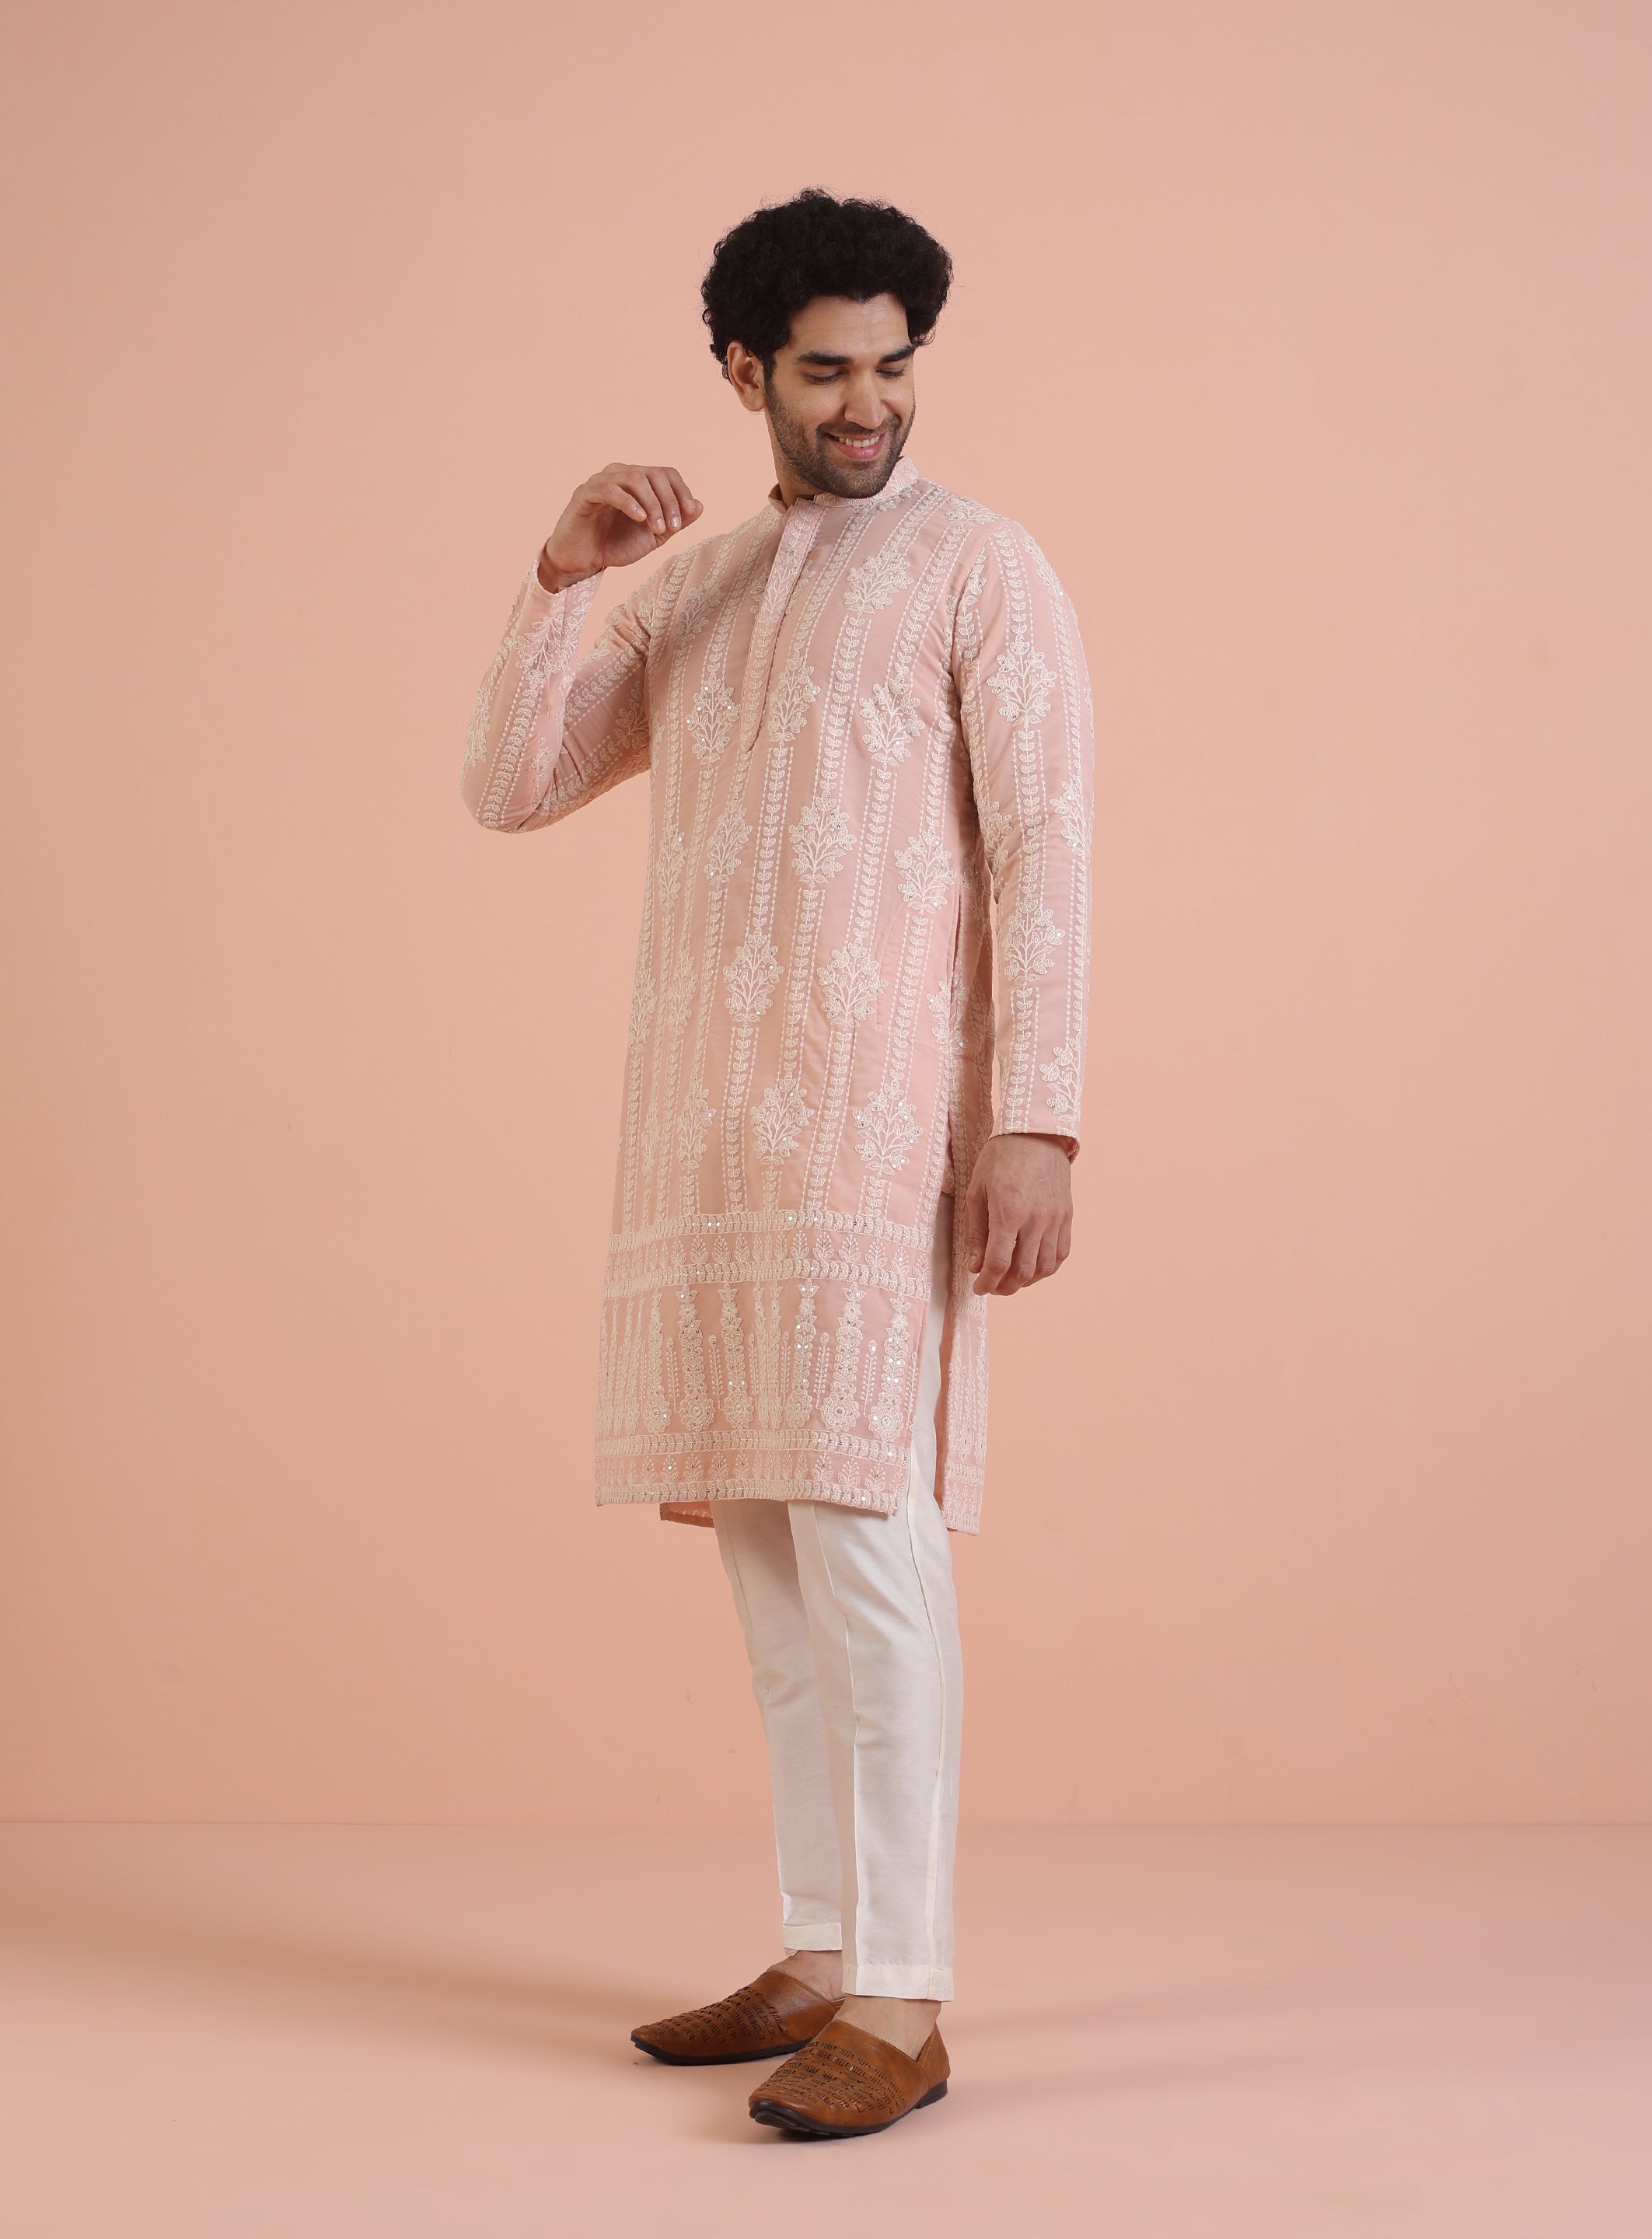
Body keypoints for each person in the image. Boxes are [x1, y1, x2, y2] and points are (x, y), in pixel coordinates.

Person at [460, 188, 1093, 2139]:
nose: (868, 403)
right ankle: (819, 1950)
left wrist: (1038, 1116)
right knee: (768, 1574)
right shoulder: (701, 585)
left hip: (880, 1137)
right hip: (710, 1138)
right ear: (743, 373)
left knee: (868, 1556)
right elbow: (512, 785)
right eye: (826, 370)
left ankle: (904, 1996)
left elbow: (1045, 851)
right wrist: (560, 576)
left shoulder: (982, 568)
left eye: (893, 365)